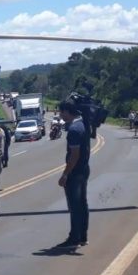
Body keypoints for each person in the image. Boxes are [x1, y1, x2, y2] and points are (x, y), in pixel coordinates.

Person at [56, 99, 90, 248]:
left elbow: (74, 155)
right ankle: (82, 236)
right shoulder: (82, 125)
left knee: (75, 206)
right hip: (84, 169)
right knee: (82, 204)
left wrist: (65, 174)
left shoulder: (74, 130)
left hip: (75, 173)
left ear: (67, 112)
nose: (60, 115)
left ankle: (74, 239)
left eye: (61, 112)